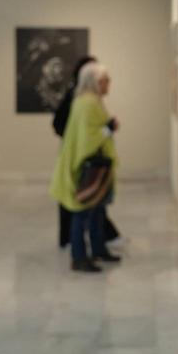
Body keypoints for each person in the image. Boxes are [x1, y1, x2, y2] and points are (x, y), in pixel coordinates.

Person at [49, 62, 122, 272]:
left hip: (94, 165)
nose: (109, 84)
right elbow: (86, 138)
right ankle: (79, 257)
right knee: (82, 213)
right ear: (96, 82)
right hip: (88, 166)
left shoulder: (88, 101)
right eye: (106, 80)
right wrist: (108, 129)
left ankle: (98, 250)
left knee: (97, 211)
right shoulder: (88, 103)